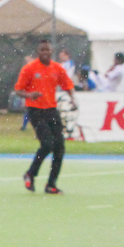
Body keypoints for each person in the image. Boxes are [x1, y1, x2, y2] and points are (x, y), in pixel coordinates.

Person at [16, 39, 74, 195]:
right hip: (35, 110)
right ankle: (30, 173)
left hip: (51, 110)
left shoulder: (57, 68)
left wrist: (73, 100)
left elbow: (67, 85)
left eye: (47, 50)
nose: (45, 53)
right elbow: (18, 90)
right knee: (47, 144)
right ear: (38, 52)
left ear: (52, 51)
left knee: (60, 147)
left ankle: (51, 184)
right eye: (42, 50)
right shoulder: (29, 69)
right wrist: (29, 95)